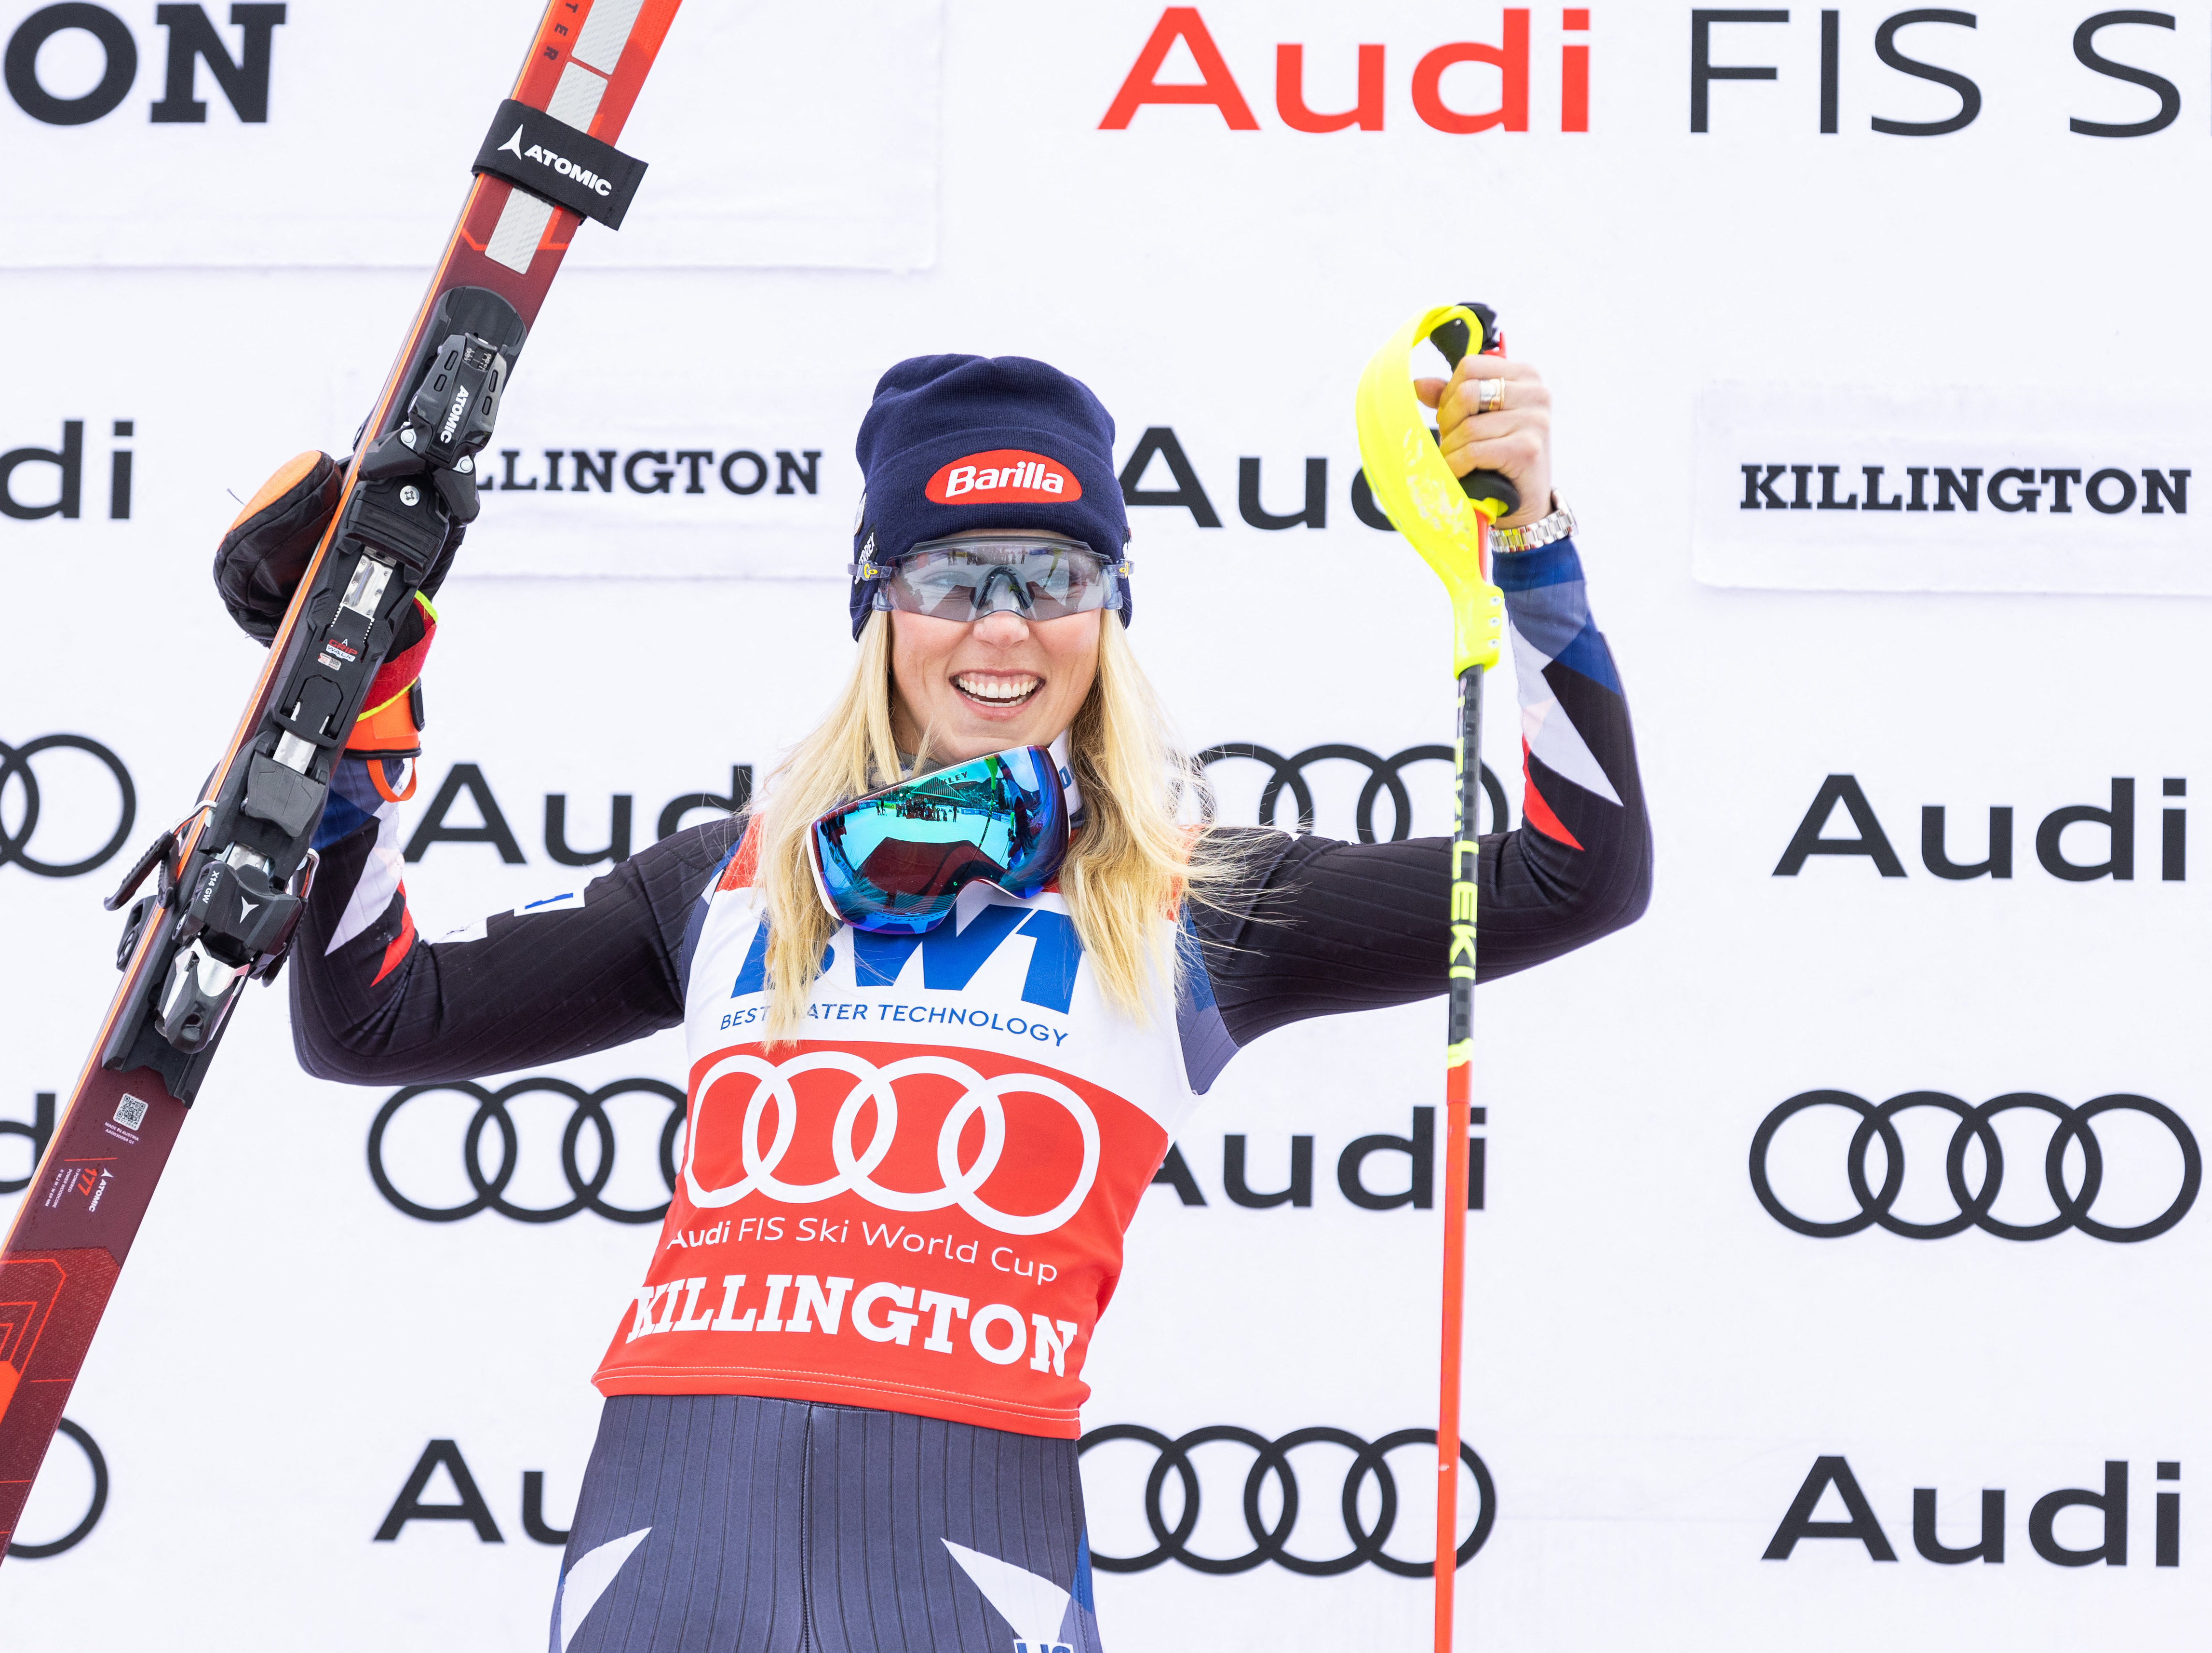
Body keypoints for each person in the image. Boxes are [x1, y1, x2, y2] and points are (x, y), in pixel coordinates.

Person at [219, 351, 1649, 1652]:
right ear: (875, 601)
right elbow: (378, 1018)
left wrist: (1523, 548)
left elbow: (1573, 879)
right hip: (669, 1529)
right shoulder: (733, 878)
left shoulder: (1198, 897)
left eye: (1055, 575)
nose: (1006, 628)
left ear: (1112, 612)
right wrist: (358, 734)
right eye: (954, 576)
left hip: (964, 1540)